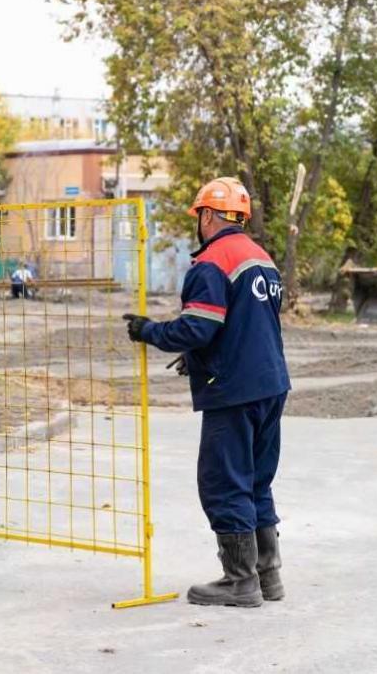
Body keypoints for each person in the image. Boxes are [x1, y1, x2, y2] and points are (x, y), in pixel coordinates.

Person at [122, 177, 291, 608]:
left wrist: (150, 331)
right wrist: (198, 359)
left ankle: (240, 581)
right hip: (271, 384)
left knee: (223, 482)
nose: (198, 224)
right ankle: (268, 577)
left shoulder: (212, 261)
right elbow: (244, 326)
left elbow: (199, 325)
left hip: (233, 391)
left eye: (200, 216)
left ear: (210, 216)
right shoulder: (262, 259)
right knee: (256, 480)